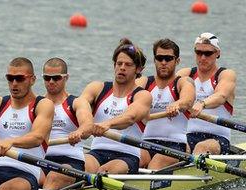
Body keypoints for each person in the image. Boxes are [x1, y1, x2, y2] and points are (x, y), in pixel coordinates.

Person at [0, 57, 54, 190]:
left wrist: (11, 141)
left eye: (20, 78)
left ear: (32, 80)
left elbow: (37, 137)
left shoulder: (43, 105)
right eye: (10, 78)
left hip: (28, 171)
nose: (14, 83)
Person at [80, 39, 152, 174]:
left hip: (127, 156)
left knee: (104, 171)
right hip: (96, 152)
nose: (122, 68)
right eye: (119, 63)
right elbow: (79, 106)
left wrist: (107, 124)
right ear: (114, 65)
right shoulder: (97, 88)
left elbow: (129, 117)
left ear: (139, 69)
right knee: (80, 167)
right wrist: (85, 125)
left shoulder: (143, 96)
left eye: (128, 65)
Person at [137, 38, 195, 169]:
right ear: (155, 60)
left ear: (177, 61)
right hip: (144, 143)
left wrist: (178, 104)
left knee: (156, 164)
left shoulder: (182, 82)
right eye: (159, 58)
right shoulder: (144, 83)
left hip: (174, 145)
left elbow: (188, 100)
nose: (163, 62)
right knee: (135, 159)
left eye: (168, 59)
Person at [177, 33, 236, 155]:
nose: (203, 57)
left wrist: (202, 104)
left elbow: (221, 96)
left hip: (218, 139)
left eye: (208, 53)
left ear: (217, 53)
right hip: (188, 136)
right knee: (175, 146)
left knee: (201, 147)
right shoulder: (185, 74)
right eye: (199, 52)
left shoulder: (226, 75)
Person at [40, 57, 93, 190]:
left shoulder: (77, 102)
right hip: (40, 160)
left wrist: (78, 132)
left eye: (56, 78)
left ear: (66, 78)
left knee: (54, 176)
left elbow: (88, 126)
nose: (51, 82)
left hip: (70, 162)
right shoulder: (37, 105)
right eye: (47, 78)